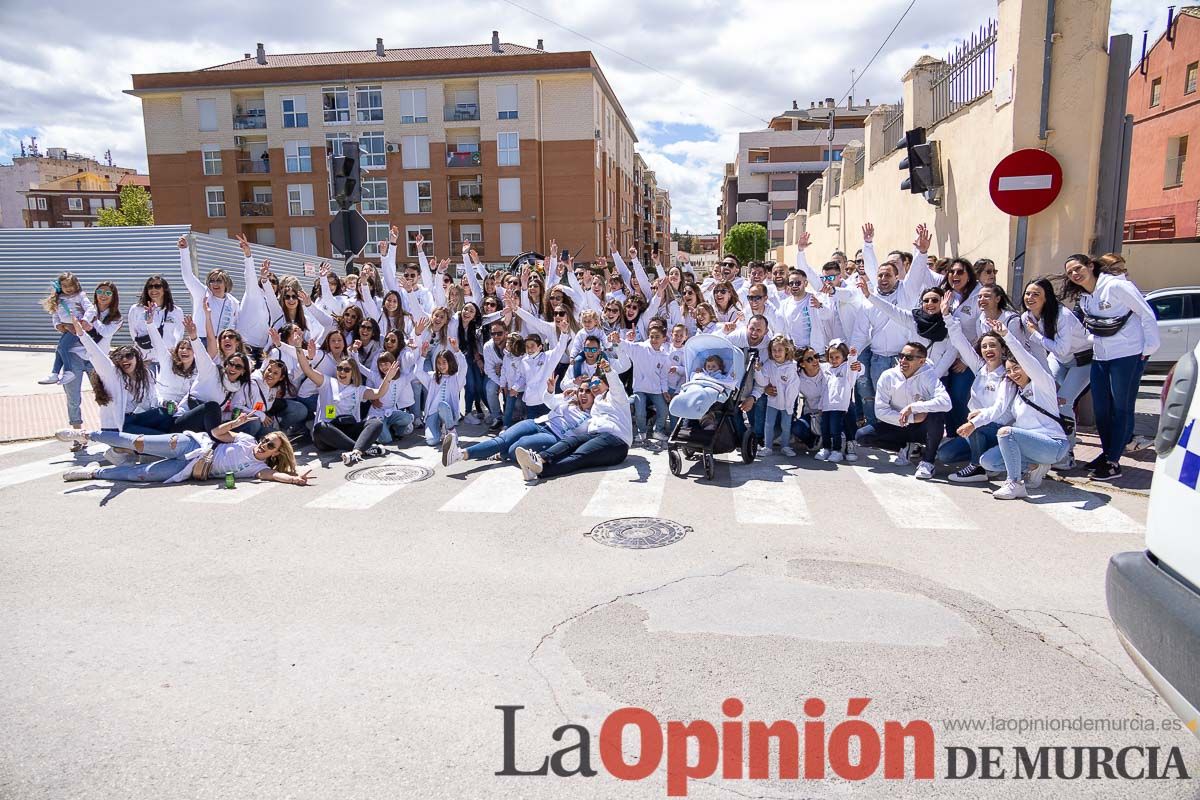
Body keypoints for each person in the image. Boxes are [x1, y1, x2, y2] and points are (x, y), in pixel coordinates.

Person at [1063, 254, 1159, 480]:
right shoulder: (1085, 296)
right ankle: (1107, 453)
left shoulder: (1116, 286)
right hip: (1100, 356)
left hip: (1127, 354)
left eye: (1078, 268)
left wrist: (1148, 349)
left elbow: (1146, 313)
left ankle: (1113, 461)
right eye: (1070, 272)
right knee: (1102, 410)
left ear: (1090, 266)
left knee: (1121, 408)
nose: (1075, 274)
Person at [968, 320, 1072, 499]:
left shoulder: (1042, 384)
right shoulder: (1016, 392)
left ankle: (1015, 483)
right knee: (987, 462)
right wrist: (974, 421)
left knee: (1006, 432)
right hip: (1029, 447)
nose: (1013, 373)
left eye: (1017, 368)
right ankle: (1034, 466)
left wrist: (1007, 336)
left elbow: (1024, 357)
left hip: (1053, 445)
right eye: (1008, 371)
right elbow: (998, 408)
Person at [59, 413, 311, 487]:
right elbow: (217, 434)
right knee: (139, 442)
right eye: (266, 439)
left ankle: (93, 475)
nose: (263, 444)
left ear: (275, 453)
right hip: (194, 445)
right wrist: (237, 422)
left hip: (189, 469)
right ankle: (86, 434)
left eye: (269, 445)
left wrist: (295, 479)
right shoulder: (245, 439)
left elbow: (277, 476)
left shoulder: (259, 468)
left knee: (140, 475)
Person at [514, 355, 633, 481]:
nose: (594, 386)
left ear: (607, 384)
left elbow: (617, 387)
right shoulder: (596, 402)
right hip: (597, 436)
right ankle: (539, 459)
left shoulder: (617, 398)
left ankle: (540, 471)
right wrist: (572, 392)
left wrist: (609, 371)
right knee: (571, 441)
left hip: (617, 442)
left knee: (579, 456)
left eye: (598, 382)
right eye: (592, 383)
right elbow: (577, 400)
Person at [854, 341, 951, 480]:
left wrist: (914, 408)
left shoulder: (929, 376)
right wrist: (911, 418)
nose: (903, 360)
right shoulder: (888, 376)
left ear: (922, 361)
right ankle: (903, 447)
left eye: (909, 357)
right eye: (901, 356)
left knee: (936, 414)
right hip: (897, 424)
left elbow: (946, 403)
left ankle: (928, 462)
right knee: (862, 436)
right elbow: (880, 411)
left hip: (922, 427)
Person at [441, 382, 595, 466]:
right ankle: (459, 454)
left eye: (588, 392)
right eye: (581, 390)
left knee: (515, 447)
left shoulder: (594, 417)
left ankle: (501, 453)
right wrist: (550, 390)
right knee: (502, 441)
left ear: (595, 396)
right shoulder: (568, 400)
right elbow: (549, 401)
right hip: (538, 423)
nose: (583, 394)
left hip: (553, 437)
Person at [297, 344, 402, 465]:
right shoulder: (326, 382)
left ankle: (356, 451)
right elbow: (307, 369)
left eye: (346, 370)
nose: (342, 372)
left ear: (353, 373)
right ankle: (363, 449)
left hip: (348, 429)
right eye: (340, 368)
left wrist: (388, 378)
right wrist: (297, 347)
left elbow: (379, 393)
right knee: (321, 427)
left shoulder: (358, 389)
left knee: (376, 423)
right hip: (328, 433)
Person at [941, 319, 1010, 483]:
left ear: (1003, 349)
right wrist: (947, 316)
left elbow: (1000, 408)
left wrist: (978, 419)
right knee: (945, 455)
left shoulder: (1008, 375)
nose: (988, 349)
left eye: (993, 345)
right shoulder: (980, 368)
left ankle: (976, 466)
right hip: (977, 429)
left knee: (976, 426)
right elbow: (959, 342)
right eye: (984, 346)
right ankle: (982, 457)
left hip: (997, 429)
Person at [755, 335, 799, 456]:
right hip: (773, 401)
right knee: (769, 424)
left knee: (786, 425)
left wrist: (789, 404)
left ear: (786, 351)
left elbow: (793, 387)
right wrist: (758, 371)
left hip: (787, 402)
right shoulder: (769, 364)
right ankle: (767, 447)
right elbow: (763, 381)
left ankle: (785, 446)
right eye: (774, 350)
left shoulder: (791, 367)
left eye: (780, 350)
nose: (777, 353)